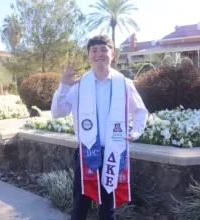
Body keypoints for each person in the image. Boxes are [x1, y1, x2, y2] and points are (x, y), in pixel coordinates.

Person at [51, 35, 148, 220]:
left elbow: (140, 111)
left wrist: (136, 131)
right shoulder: (78, 85)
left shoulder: (124, 84)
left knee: (108, 208)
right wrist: (63, 84)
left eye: (103, 49)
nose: (99, 54)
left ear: (112, 53)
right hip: (86, 153)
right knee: (80, 204)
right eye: (94, 50)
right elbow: (57, 112)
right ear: (88, 56)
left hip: (114, 153)